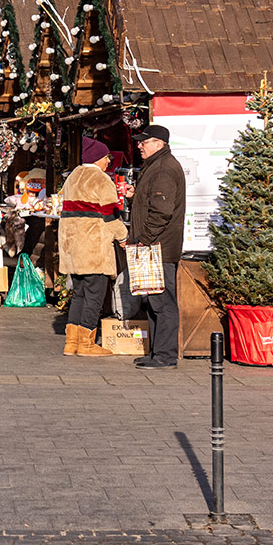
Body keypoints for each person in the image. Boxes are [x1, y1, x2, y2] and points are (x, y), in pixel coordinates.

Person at [59, 136, 128, 356]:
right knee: (95, 296)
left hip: (74, 246)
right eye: (107, 157)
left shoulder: (73, 177)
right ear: (98, 157)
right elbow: (109, 216)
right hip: (94, 248)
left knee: (79, 294)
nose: (109, 161)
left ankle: (71, 343)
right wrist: (123, 236)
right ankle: (86, 344)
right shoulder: (101, 180)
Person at [125, 124, 185, 369]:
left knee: (163, 301)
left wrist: (145, 239)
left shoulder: (163, 169)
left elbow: (162, 211)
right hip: (154, 245)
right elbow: (155, 201)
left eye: (144, 142)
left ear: (159, 144)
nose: (139, 145)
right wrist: (135, 194)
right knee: (153, 300)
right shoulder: (155, 166)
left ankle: (165, 355)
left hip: (158, 247)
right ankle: (157, 351)